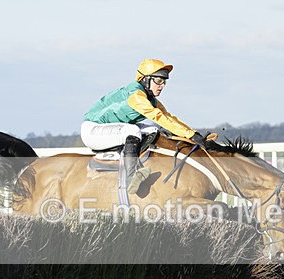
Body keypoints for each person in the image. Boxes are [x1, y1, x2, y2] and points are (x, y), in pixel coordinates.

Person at [82, 58, 209, 194]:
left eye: (164, 81)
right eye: (159, 81)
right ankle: (130, 178)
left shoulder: (151, 100)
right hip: (93, 131)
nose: (162, 85)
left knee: (154, 130)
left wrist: (193, 134)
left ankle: (144, 163)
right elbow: (158, 117)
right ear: (145, 79)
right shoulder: (136, 96)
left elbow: (168, 118)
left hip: (112, 128)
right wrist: (189, 134)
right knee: (133, 130)